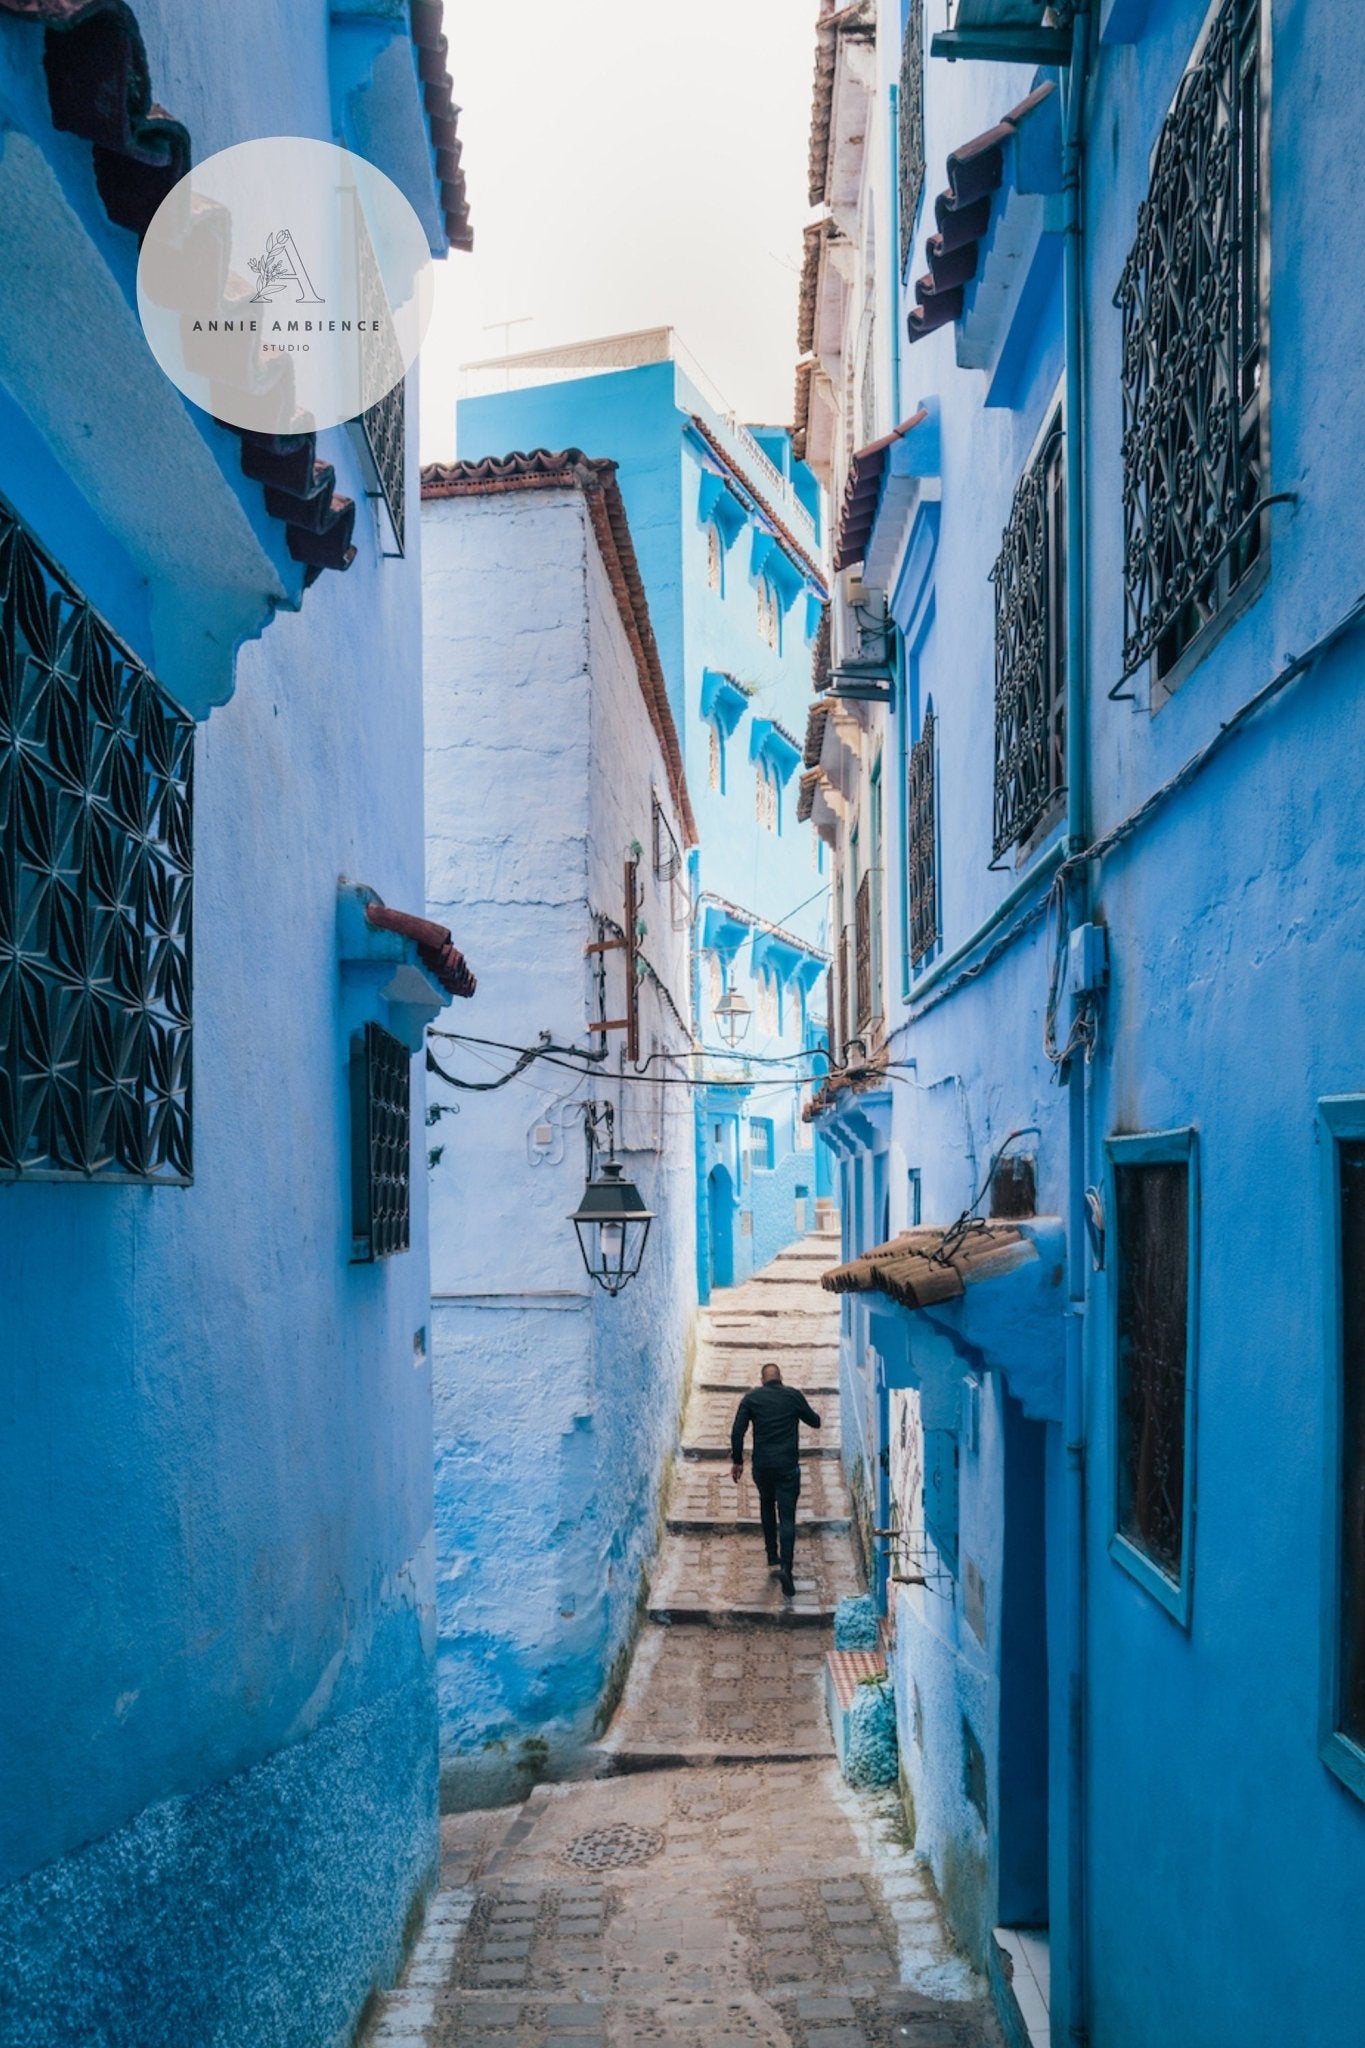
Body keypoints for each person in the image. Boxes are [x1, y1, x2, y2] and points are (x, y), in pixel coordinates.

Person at [730, 1362, 821, 1598]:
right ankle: (786, 1568)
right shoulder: (792, 1396)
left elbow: (737, 1431)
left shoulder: (751, 1399)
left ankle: (772, 1554)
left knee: (766, 1505)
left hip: (762, 1466)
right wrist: (806, 1411)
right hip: (787, 1467)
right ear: (781, 1377)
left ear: (762, 1380)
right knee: (787, 1517)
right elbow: (815, 1421)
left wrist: (738, 1461)